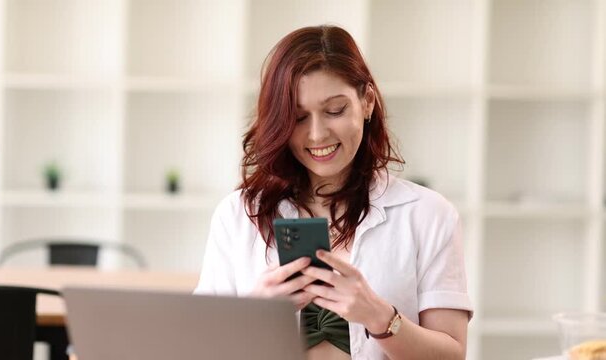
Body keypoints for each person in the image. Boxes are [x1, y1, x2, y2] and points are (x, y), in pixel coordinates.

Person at [194, 25, 472, 360]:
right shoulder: (238, 214)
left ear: (367, 102)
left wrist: (380, 317)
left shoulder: (428, 214)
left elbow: (451, 355)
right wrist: (254, 316)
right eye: (297, 117)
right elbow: (200, 348)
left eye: (335, 110)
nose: (316, 134)